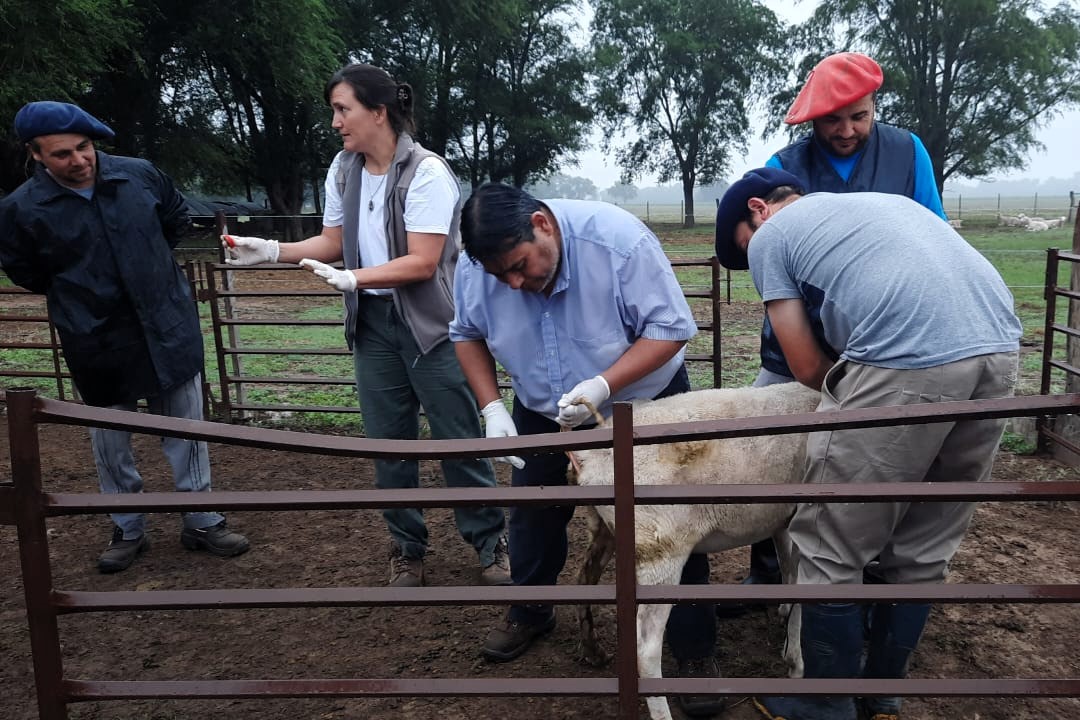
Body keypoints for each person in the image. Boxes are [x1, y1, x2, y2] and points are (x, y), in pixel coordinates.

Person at [714, 167, 1022, 720]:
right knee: (925, 544)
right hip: (1000, 351)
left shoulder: (773, 236)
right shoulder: (877, 207)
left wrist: (858, 406)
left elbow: (805, 363)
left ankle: (823, 704)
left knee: (830, 540)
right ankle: (881, 694)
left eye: (744, 243)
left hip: (909, 356)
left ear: (757, 210)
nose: (752, 254)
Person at [222, 63, 509, 589]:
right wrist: (271, 251)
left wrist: (353, 277)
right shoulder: (344, 169)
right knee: (387, 445)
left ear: (378, 112)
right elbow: (332, 241)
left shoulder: (427, 172)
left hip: (433, 325)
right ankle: (407, 549)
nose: (335, 122)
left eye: (342, 109)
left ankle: (490, 545)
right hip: (374, 325)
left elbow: (423, 261)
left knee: (458, 441)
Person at [450, 183, 725, 718]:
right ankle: (530, 611)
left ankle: (695, 650)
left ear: (542, 225)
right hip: (542, 405)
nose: (513, 282)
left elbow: (671, 328)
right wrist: (491, 408)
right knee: (532, 513)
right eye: (499, 275)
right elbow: (466, 332)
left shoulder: (618, 242)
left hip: (641, 402)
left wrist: (603, 384)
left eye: (520, 265)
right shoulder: (476, 266)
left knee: (671, 523)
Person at [0, 101, 250, 573]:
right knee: (110, 442)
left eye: (84, 147)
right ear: (35, 155)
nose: (78, 160)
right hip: (95, 339)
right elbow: (26, 270)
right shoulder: (20, 210)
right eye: (61, 154)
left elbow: (174, 221)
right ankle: (127, 527)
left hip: (166, 326)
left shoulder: (139, 176)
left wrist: (147, 273)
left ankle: (202, 520)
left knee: (188, 432)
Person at [737, 51, 949, 590]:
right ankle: (767, 572)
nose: (847, 130)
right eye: (832, 120)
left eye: (859, 115)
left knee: (880, 455)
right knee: (766, 445)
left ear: (875, 106)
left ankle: (870, 568)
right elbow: (771, 246)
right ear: (812, 121)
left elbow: (934, 230)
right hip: (799, 332)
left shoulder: (907, 152)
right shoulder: (787, 163)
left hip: (885, 334)